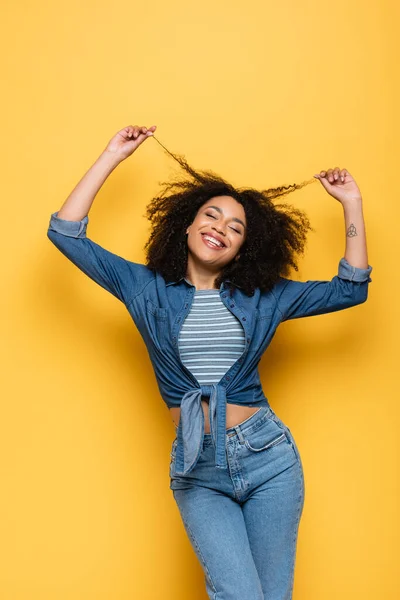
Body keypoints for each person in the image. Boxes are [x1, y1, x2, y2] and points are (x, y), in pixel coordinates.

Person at [47, 124, 373, 600]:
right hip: (197, 465)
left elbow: (351, 289)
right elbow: (66, 234)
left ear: (244, 248)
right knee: (239, 593)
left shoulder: (265, 297)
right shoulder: (144, 288)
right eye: (211, 215)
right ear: (187, 224)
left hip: (269, 459)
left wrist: (351, 203)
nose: (220, 227)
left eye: (235, 228)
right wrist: (112, 155)